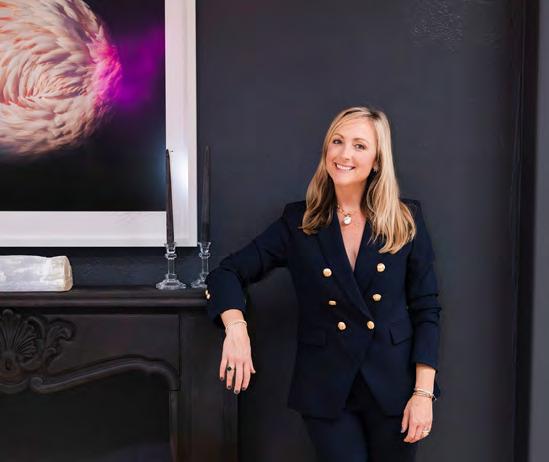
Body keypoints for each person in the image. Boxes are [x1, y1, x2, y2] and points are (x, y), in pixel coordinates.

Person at [204, 106, 442, 462]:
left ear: (377, 160)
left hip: (394, 386)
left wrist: (423, 393)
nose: (345, 154)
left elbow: (426, 309)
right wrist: (236, 329)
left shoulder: (406, 220)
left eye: (360, 146)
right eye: (337, 141)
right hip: (328, 387)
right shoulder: (299, 223)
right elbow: (226, 273)